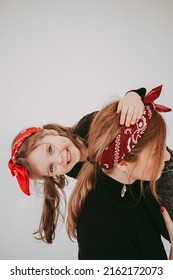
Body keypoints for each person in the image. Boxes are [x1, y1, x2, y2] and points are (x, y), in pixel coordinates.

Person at [8, 89, 146, 244]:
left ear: (51, 133)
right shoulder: (76, 172)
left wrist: (132, 97)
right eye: (51, 168)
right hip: (140, 191)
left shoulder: (89, 125)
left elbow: (125, 111)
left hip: (152, 160)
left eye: (50, 149)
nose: (59, 159)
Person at [66, 86, 172, 259]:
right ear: (123, 163)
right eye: (156, 152)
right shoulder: (101, 230)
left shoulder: (134, 184)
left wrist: (133, 96)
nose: (166, 157)